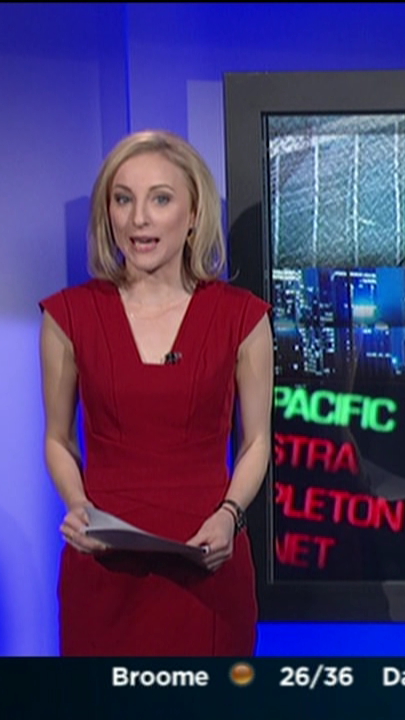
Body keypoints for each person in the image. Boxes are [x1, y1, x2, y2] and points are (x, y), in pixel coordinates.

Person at [38, 129, 273, 656]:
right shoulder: (68, 316)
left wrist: (230, 515)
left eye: (160, 199)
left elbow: (257, 441)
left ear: (193, 215)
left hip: (208, 565)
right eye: (123, 200)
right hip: (103, 569)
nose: (138, 218)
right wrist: (78, 507)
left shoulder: (242, 317)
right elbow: (57, 439)